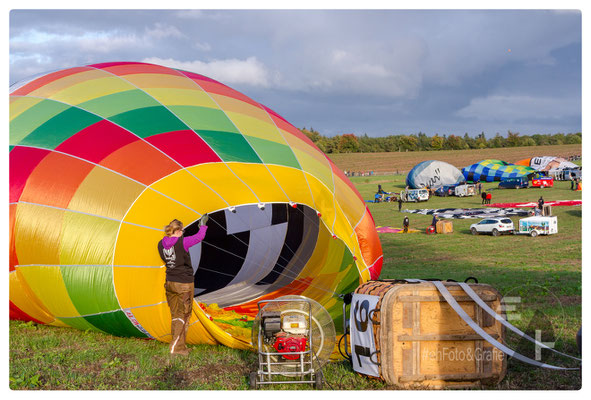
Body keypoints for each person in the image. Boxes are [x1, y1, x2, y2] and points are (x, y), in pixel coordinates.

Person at [157, 216, 209, 356]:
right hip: (184, 284)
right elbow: (199, 237)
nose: (183, 232)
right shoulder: (183, 242)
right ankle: (176, 349)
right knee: (184, 316)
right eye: (182, 230)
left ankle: (180, 345)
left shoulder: (160, 244)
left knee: (175, 315)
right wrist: (203, 225)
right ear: (178, 230)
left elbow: (166, 260)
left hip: (170, 283)